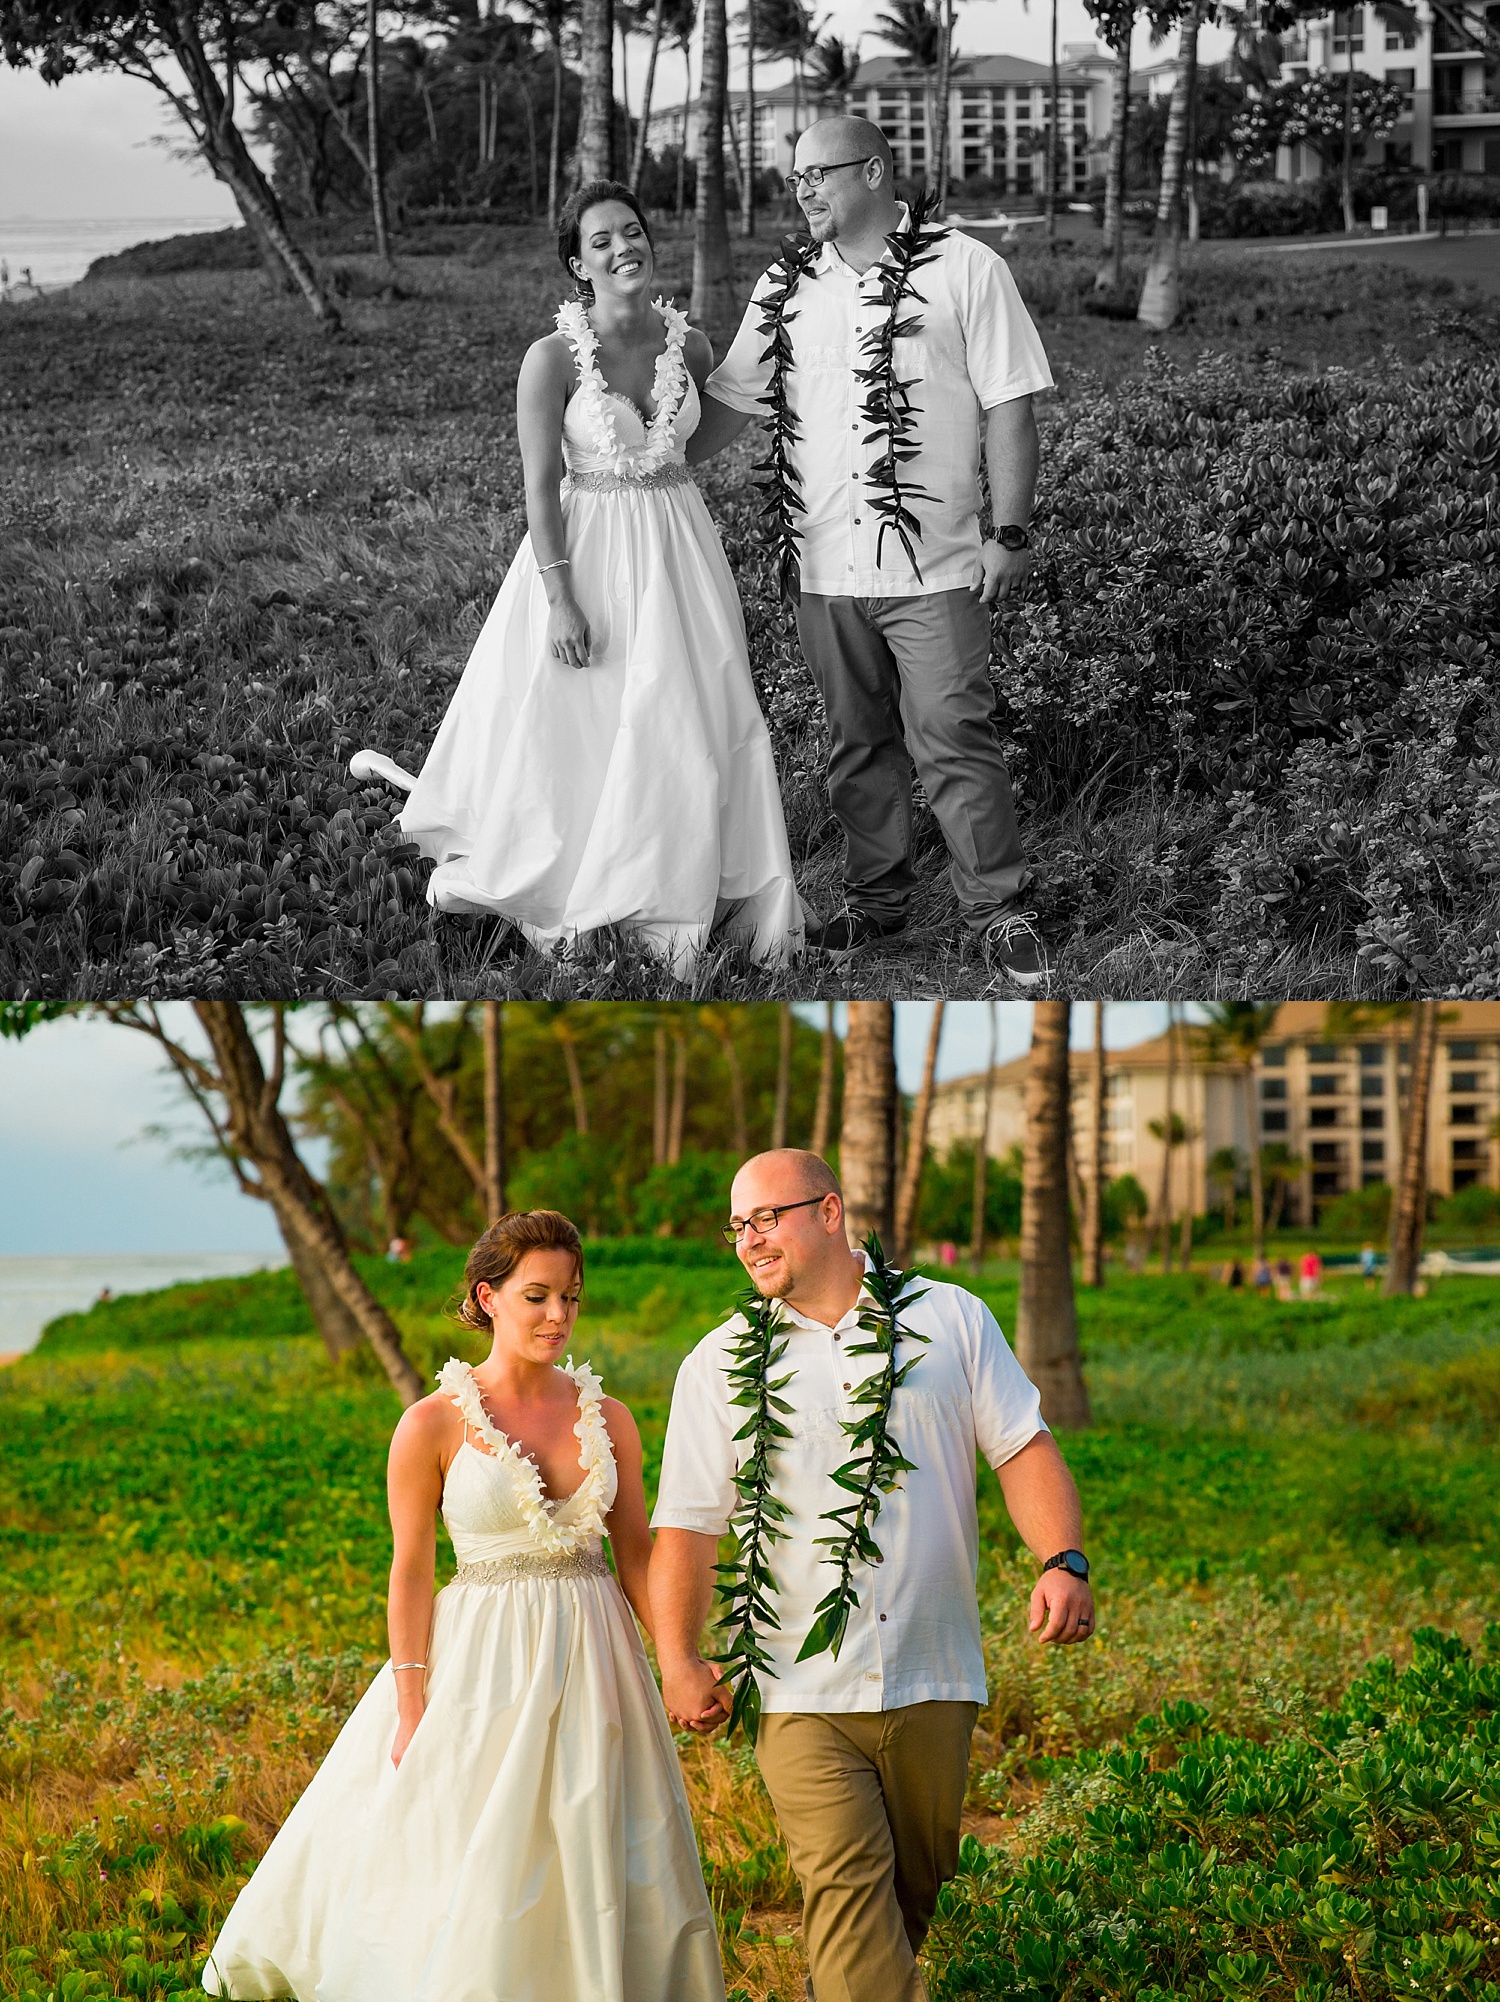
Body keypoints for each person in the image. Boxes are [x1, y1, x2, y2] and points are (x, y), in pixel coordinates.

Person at [202, 1209, 725, 2002]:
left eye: (572, 1298)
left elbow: (636, 1557)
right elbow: (410, 1570)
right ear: (488, 1296)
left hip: (597, 1660)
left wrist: (677, 1661)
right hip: (481, 1665)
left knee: (597, 1841)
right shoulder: (431, 1424)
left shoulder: (610, 1419)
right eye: (537, 1297)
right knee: (476, 1853)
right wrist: (413, 1705)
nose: (559, 1316)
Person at [649, 1149, 1094, 2002]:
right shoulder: (719, 1361)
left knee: (903, 1905)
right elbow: (687, 1526)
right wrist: (678, 1656)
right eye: (736, 1226)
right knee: (849, 1898)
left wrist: (1062, 1560)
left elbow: (1022, 1447)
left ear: (828, 1211)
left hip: (936, 1673)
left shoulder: (949, 1316)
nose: (747, 1241)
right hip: (796, 1687)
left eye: (764, 1218)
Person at [351, 180, 802, 979]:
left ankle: (672, 890)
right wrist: (560, 598)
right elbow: (536, 486)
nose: (623, 247)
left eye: (632, 232)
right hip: (585, 550)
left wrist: (775, 357)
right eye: (602, 240)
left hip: (679, 549)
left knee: (684, 722)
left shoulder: (689, 346)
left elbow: (686, 446)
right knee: (581, 727)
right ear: (577, 262)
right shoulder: (551, 358)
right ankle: (557, 881)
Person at [688, 117, 1055, 984]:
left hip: (935, 566)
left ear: (876, 171)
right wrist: (627, 451)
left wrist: (1012, 530)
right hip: (821, 566)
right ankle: (878, 903)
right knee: (856, 742)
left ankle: (997, 909)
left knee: (954, 735)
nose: (803, 190)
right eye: (795, 177)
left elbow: (1011, 404)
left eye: (818, 173)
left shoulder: (967, 268)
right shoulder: (786, 285)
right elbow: (732, 406)